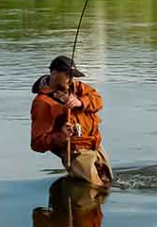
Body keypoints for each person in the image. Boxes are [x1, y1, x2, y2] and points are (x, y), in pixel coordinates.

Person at [31, 55, 113, 186]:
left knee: (107, 184)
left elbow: (98, 100)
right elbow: (37, 144)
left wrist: (81, 102)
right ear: (54, 73)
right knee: (95, 188)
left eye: (73, 76)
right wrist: (61, 135)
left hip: (96, 144)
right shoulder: (42, 103)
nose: (71, 80)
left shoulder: (77, 86)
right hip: (76, 153)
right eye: (68, 75)